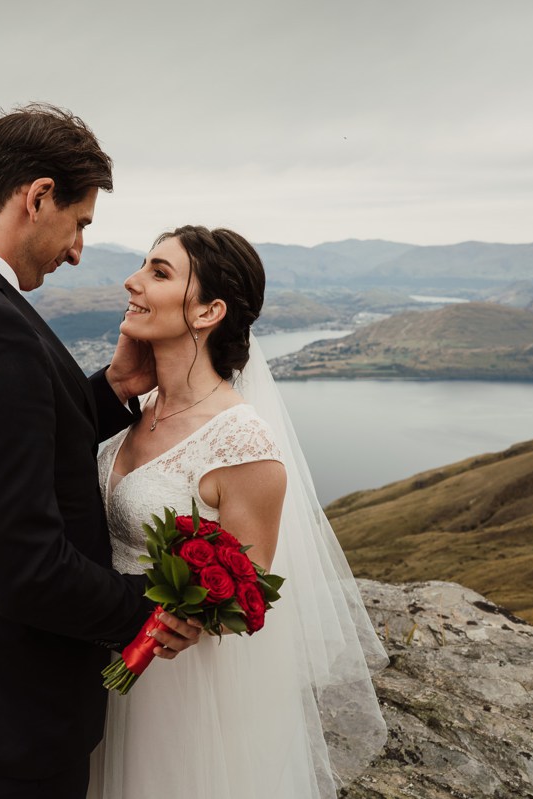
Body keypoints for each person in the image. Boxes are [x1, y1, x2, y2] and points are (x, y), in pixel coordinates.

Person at [0, 104, 202, 799]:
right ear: (37, 197)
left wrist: (115, 385)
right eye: (80, 222)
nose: (78, 250)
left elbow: (11, 447)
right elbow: (25, 567)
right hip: (18, 705)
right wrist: (150, 606)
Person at [87, 226, 388, 799]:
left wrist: (183, 624)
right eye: (142, 267)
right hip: (91, 672)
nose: (132, 281)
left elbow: (239, 595)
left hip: (169, 691)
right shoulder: (138, 405)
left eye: (158, 273)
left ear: (208, 312)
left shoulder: (244, 445)